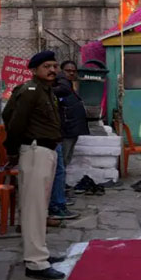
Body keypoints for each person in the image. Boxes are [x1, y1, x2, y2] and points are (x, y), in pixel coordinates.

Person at [2, 50, 67, 280]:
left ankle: (40, 252)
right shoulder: (29, 91)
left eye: (54, 66)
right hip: (35, 150)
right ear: (34, 70)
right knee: (33, 207)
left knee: (40, 207)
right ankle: (35, 262)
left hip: (47, 150)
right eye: (46, 66)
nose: (52, 70)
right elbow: (13, 119)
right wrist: (11, 149)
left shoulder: (45, 91)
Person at [49, 70, 86, 220]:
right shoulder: (52, 88)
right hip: (57, 135)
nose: (70, 74)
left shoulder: (62, 87)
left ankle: (59, 199)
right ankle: (56, 202)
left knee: (63, 165)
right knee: (59, 167)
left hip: (67, 130)